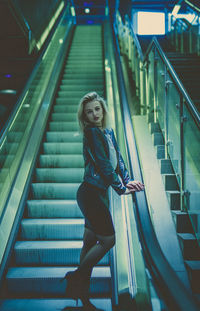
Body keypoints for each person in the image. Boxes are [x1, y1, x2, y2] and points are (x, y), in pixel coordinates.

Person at [61, 92, 144, 310]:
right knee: (108, 240)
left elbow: (118, 160)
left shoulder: (107, 132)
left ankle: (82, 292)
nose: (94, 114)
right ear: (85, 117)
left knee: (89, 242)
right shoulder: (91, 133)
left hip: (94, 194)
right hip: (90, 194)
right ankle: (76, 277)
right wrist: (120, 188)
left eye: (97, 109)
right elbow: (104, 164)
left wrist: (127, 180)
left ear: (103, 110)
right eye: (89, 111)